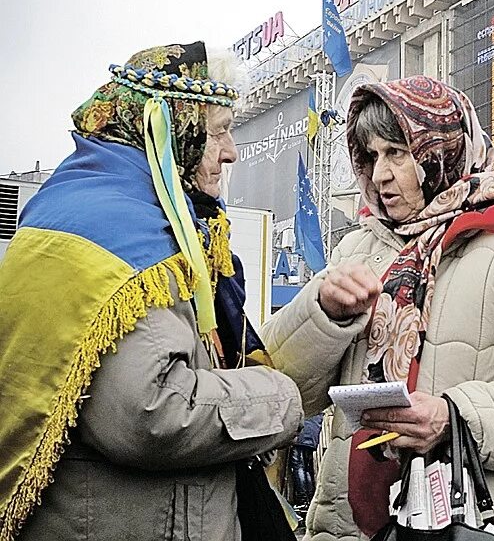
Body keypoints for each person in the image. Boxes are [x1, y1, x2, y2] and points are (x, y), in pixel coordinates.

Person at [262, 75, 494, 541]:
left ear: (442, 151)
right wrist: (322, 316)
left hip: (466, 527)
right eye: (370, 157)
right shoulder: (355, 250)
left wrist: (456, 417)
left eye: (398, 153)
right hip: (350, 529)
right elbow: (276, 388)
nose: (380, 175)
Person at [0, 42, 307, 541]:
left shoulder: (87, 205)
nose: (230, 151)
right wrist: (279, 399)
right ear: (169, 131)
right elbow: (153, 413)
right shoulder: (128, 234)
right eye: (220, 131)